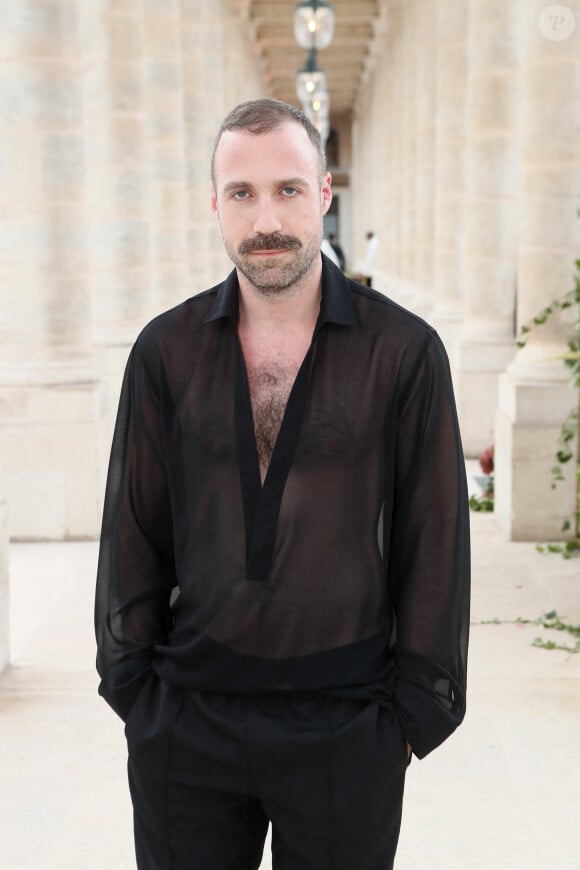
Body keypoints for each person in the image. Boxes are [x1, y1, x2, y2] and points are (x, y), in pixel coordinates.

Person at [95, 98, 470, 870]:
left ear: (324, 194)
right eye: (242, 193)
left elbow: (433, 540)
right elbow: (134, 528)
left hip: (346, 725)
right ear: (215, 206)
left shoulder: (402, 351)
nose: (266, 219)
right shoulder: (164, 351)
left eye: (288, 190)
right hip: (187, 725)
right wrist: (137, 693)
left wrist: (406, 715)